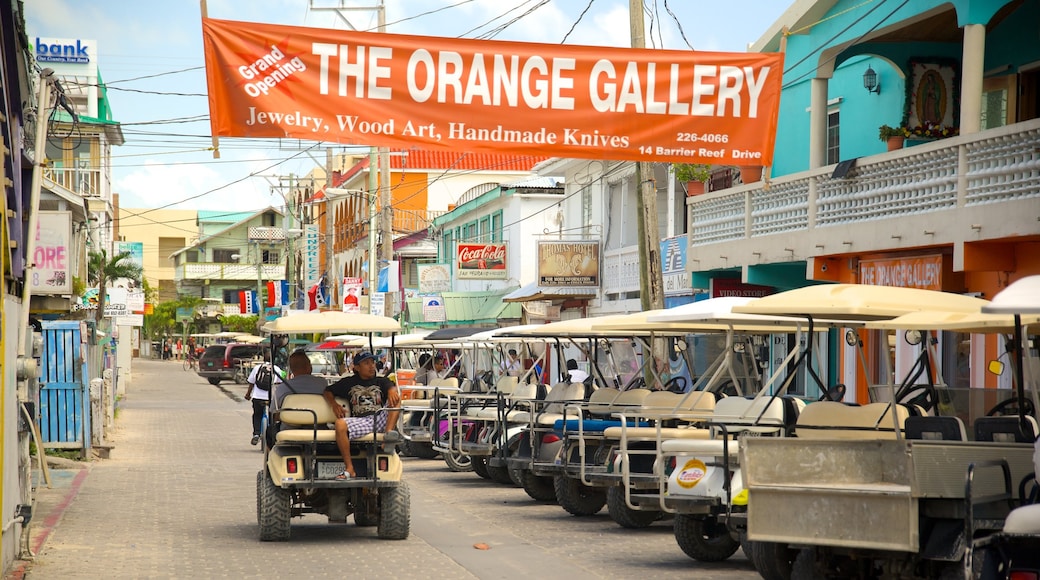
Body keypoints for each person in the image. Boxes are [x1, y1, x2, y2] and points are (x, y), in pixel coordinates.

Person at [323, 352, 400, 479]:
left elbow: (391, 388)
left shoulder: (381, 381)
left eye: (372, 362)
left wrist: (392, 391)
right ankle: (349, 468)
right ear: (357, 367)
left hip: (380, 418)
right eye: (366, 363)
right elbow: (327, 391)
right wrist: (334, 405)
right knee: (340, 424)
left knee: (397, 398)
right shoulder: (348, 382)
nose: (371, 366)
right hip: (362, 421)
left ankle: (388, 436)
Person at [247, 360, 284, 446]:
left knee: (257, 415)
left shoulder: (257, 368)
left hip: (257, 397)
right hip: (271, 397)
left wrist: (248, 394)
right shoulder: (276, 369)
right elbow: (280, 383)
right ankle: (272, 435)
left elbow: (251, 382)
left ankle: (256, 434)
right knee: (273, 416)